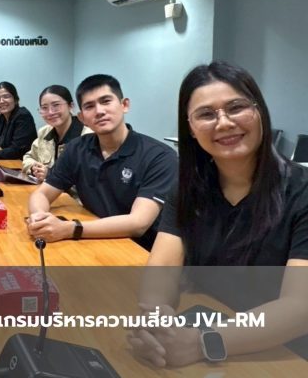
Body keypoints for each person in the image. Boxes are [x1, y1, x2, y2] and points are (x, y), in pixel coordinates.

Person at [128, 61, 308, 367]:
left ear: (259, 111)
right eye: (206, 114)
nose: (223, 123)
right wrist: (156, 321)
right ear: (190, 127)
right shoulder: (188, 190)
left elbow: (299, 306)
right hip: (217, 329)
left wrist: (203, 342)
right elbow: (163, 269)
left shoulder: (301, 192)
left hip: (286, 354)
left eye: (236, 107)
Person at [27, 74, 177, 250]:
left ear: (124, 105)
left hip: (140, 250)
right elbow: (42, 194)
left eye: (106, 101)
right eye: (89, 106)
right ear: (82, 117)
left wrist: (70, 229)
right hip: (93, 241)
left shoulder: (160, 156)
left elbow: (138, 223)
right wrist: (40, 219)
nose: (99, 111)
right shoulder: (77, 148)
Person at [22, 85, 92, 181]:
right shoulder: (44, 132)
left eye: (56, 105)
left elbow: (89, 179)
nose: (50, 112)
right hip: (43, 188)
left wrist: (51, 174)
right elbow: (28, 157)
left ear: (71, 106)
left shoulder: (88, 137)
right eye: (44, 108)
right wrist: (33, 167)